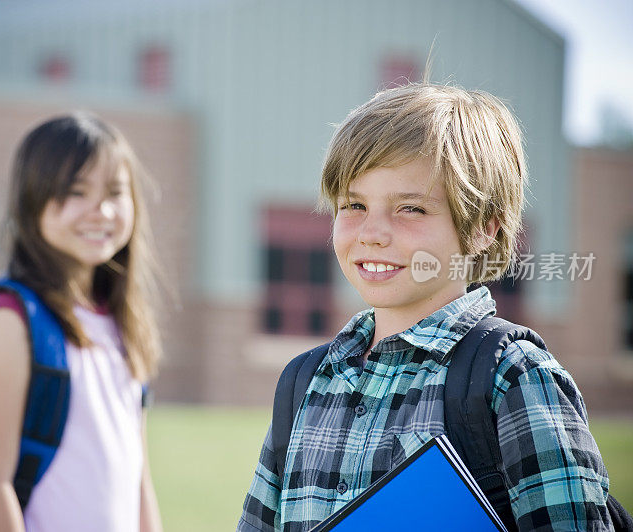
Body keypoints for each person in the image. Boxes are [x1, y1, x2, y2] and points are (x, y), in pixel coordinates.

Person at [237, 84, 611, 531]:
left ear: (481, 230)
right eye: (354, 204)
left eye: (410, 209)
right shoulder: (304, 383)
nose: (372, 233)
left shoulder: (512, 376)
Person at [0, 113, 163, 531]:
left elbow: (138, 478)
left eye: (115, 192)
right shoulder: (12, 321)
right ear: (33, 200)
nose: (102, 211)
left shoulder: (122, 323)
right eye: (76, 191)